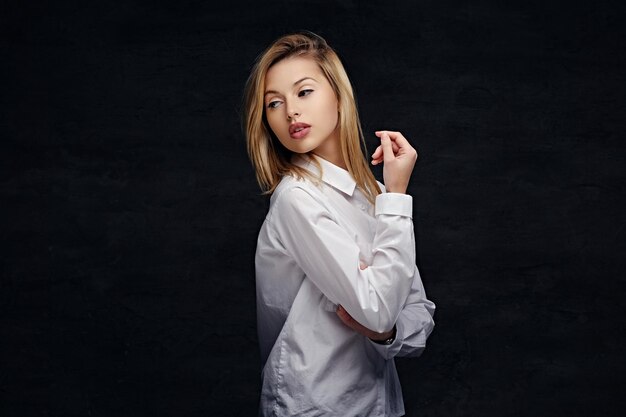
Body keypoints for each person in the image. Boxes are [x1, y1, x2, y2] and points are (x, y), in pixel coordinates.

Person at [242, 31, 436, 417]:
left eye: (304, 92)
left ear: (338, 94)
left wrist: (386, 333)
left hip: (381, 406)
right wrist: (396, 197)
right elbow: (380, 309)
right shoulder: (297, 198)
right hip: (315, 406)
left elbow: (418, 318)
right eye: (274, 103)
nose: (291, 112)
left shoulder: (374, 195)